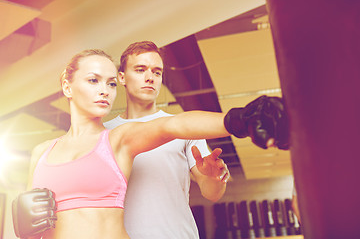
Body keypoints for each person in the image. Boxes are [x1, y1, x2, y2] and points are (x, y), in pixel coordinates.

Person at [11, 48, 289, 239]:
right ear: (67, 86)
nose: (104, 91)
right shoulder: (41, 153)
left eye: (110, 84)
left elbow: (173, 125)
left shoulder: (118, 139)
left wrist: (239, 119)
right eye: (93, 80)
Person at [103, 41, 230, 239]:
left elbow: (212, 193)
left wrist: (215, 178)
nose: (149, 78)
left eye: (156, 72)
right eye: (140, 70)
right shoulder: (104, 133)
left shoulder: (185, 128)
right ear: (122, 77)